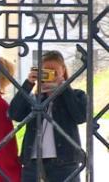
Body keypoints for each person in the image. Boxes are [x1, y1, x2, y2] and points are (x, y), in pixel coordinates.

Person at [9, 50, 87, 182]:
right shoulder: (34, 98)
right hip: (33, 161)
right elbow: (14, 114)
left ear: (63, 70)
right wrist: (29, 83)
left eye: (54, 71)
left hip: (65, 162)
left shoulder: (76, 95)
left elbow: (80, 116)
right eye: (46, 71)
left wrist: (63, 87)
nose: (51, 75)